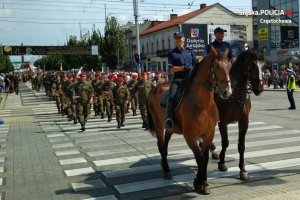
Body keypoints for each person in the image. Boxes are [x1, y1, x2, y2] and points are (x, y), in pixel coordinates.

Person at [164, 31, 198, 129]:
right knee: (172, 96)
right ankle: (169, 119)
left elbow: (196, 64)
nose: (179, 40)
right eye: (177, 38)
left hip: (191, 79)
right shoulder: (172, 53)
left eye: (180, 38)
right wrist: (183, 68)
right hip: (178, 79)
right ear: (175, 40)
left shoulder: (190, 51)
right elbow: (172, 68)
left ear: (184, 39)